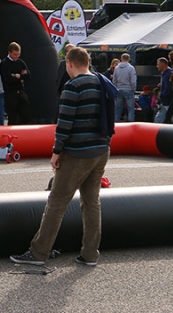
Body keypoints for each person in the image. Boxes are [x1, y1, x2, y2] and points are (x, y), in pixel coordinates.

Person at [10, 46, 110, 268]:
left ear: (70, 63)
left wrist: (57, 151)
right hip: (101, 149)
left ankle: (39, 252)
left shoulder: (73, 86)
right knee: (91, 202)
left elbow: (64, 124)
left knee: (57, 202)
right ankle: (90, 254)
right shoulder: (101, 81)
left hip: (77, 153)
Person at [1, 42, 32, 125]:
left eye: (18, 54)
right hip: (10, 94)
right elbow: (7, 79)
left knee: (26, 115)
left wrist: (17, 76)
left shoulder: (20, 62)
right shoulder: (4, 63)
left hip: (21, 92)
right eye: (15, 54)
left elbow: (28, 76)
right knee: (12, 117)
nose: (17, 56)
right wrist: (20, 77)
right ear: (9, 52)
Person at [112, 53, 137, 122]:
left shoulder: (116, 68)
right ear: (129, 59)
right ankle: (131, 124)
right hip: (129, 89)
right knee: (131, 109)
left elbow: (114, 80)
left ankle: (116, 124)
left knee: (118, 109)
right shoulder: (131, 68)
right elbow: (133, 81)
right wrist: (133, 89)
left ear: (121, 59)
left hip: (119, 89)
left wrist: (116, 88)